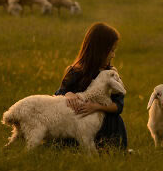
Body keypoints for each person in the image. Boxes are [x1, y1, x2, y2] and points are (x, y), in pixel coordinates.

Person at [54, 22, 128, 150]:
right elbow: (57, 95)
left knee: (107, 151)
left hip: (106, 125)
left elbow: (119, 106)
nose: (113, 55)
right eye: (111, 50)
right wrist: (68, 94)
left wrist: (96, 107)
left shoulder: (111, 74)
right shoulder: (76, 72)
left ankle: (111, 148)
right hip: (77, 125)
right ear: (99, 50)